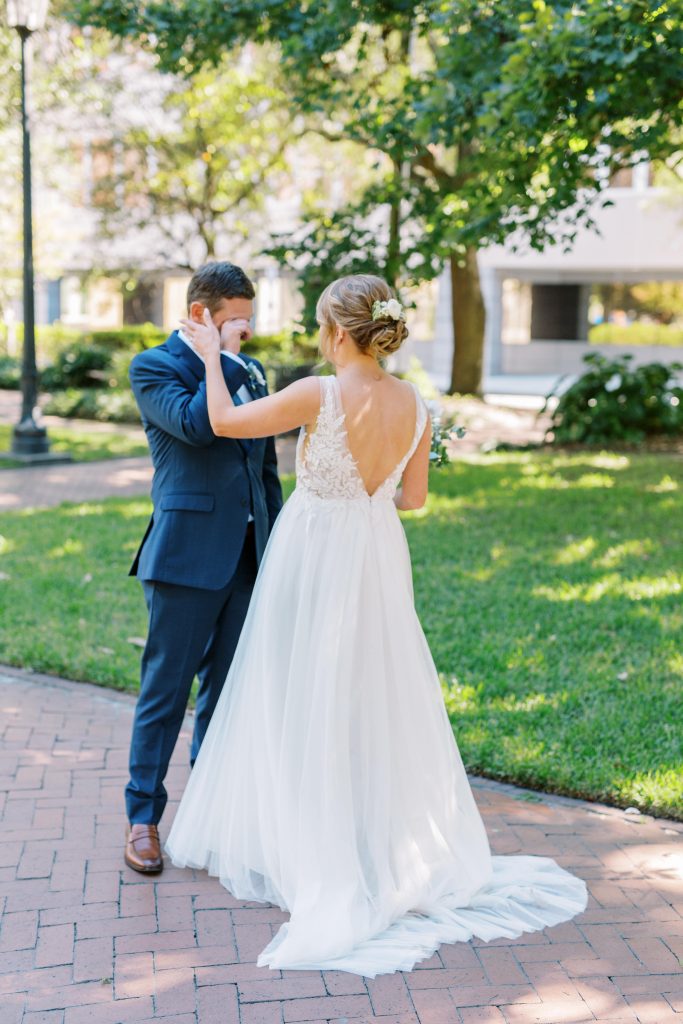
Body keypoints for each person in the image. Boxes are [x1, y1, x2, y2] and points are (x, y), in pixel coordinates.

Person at [166, 274, 587, 976]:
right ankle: (372, 842)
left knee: (301, 687)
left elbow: (224, 422)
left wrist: (211, 357)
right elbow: (413, 497)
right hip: (376, 554)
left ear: (337, 331)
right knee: (371, 691)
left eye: (320, 325)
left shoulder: (318, 393)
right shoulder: (415, 402)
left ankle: (309, 845)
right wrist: (371, 487)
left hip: (314, 549)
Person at [123, 261, 283, 874]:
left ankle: (211, 817)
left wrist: (275, 546)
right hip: (185, 556)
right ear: (200, 315)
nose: (247, 330)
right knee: (165, 694)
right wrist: (221, 360)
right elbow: (196, 426)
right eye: (237, 320)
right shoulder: (155, 367)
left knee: (226, 694)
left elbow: (263, 469)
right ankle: (143, 819)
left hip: (246, 557)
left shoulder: (252, 370)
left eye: (248, 319)